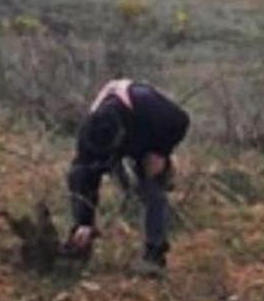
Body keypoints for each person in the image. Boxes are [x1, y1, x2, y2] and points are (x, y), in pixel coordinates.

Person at [67, 79, 189, 277]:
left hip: (148, 137)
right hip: (120, 141)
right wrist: (84, 222)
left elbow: (182, 121)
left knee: (152, 191)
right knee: (84, 174)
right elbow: (83, 179)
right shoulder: (89, 133)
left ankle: (154, 255)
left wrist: (160, 152)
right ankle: (81, 245)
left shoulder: (147, 104)